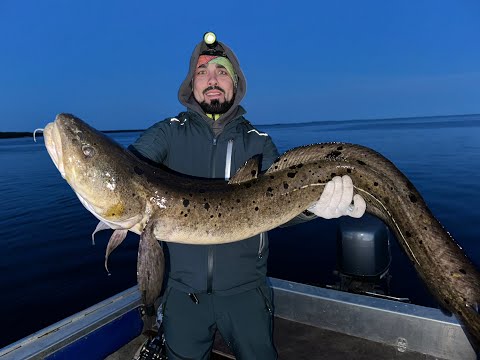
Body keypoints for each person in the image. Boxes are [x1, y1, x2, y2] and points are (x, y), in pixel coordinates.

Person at [129, 32, 365, 360]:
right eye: (202, 72)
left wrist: (315, 208)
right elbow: (129, 170)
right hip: (183, 292)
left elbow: (280, 207)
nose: (211, 79)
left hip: (247, 293)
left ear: (236, 83)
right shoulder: (166, 132)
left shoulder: (258, 142)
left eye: (221, 71)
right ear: (191, 85)